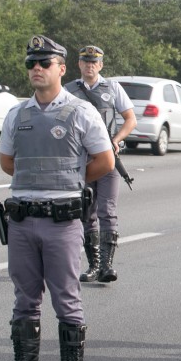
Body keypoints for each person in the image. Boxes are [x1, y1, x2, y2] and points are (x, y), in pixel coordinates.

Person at [0, 35, 114, 361]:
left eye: (44, 63)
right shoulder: (17, 114)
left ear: (62, 69)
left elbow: (105, 162)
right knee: (24, 303)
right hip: (23, 220)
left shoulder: (81, 112)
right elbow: (8, 163)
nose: (36, 68)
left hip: (62, 222)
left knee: (67, 303)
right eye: (31, 62)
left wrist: (69, 184)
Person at [65, 45, 137, 284]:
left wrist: (117, 140)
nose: (90, 65)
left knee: (108, 211)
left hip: (107, 158)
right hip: (81, 160)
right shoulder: (69, 90)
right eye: (85, 61)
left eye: (94, 62)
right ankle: (93, 265)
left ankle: (107, 265)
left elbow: (130, 119)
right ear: (79, 64)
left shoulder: (112, 88)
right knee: (87, 212)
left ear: (101, 65)